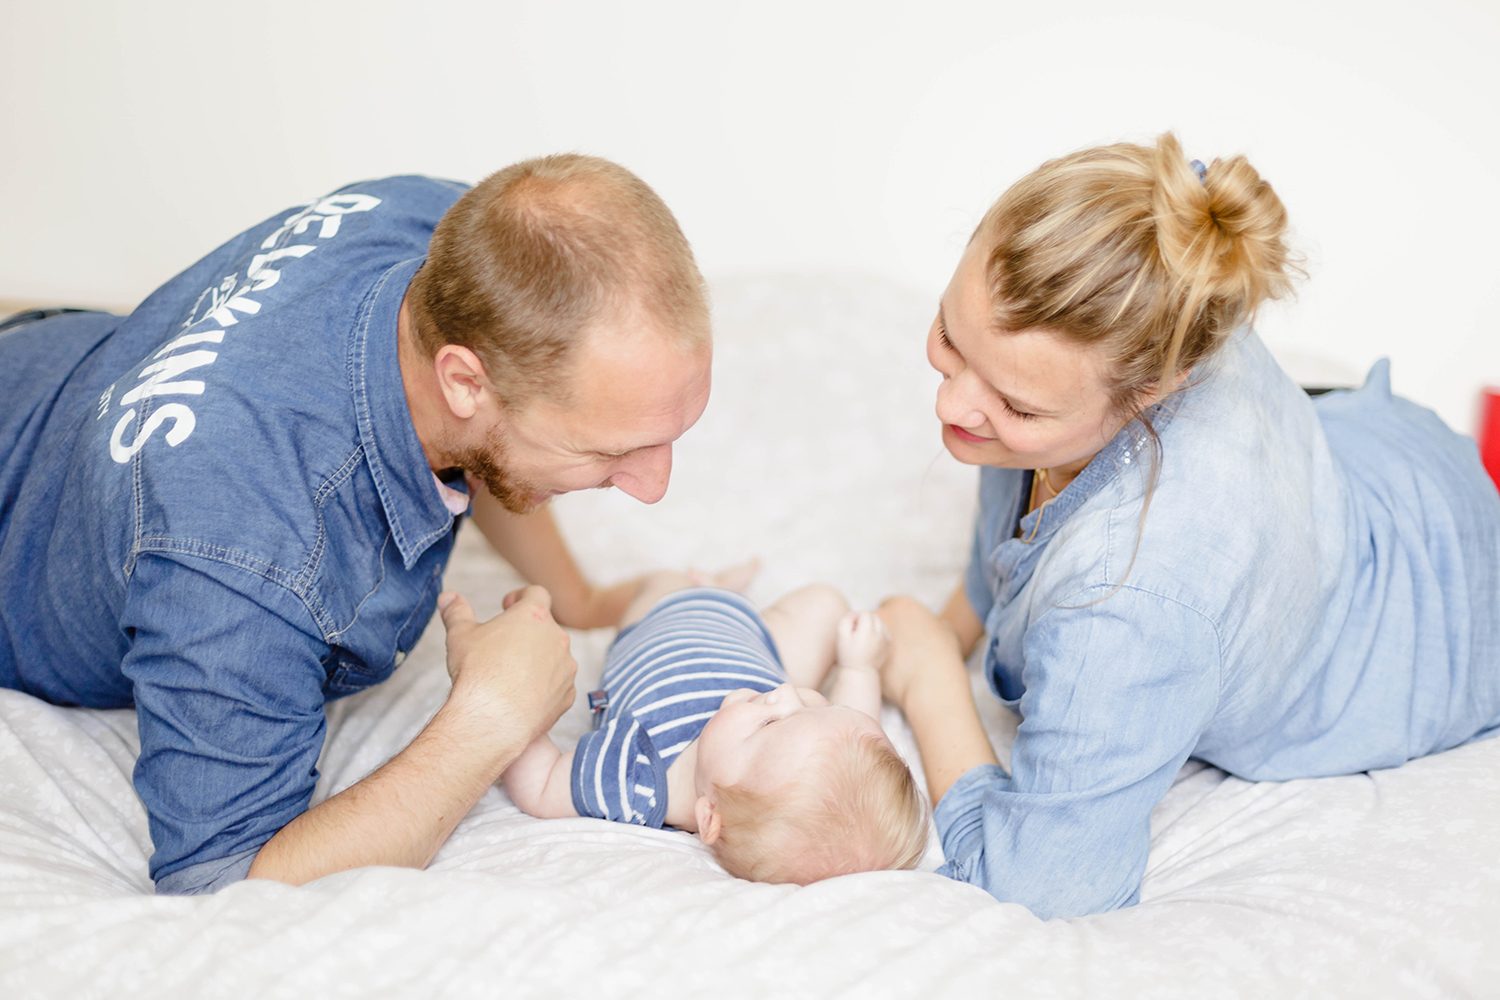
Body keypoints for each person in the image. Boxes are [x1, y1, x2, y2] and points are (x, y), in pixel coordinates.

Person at [0, 155, 714, 895]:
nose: (654, 486)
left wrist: (575, 596)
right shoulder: (244, 553)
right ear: (464, 381)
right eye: (610, 450)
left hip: (51, 368)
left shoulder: (449, 236)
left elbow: (498, 449)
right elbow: (228, 884)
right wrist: (491, 718)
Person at [874, 133, 1500, 919]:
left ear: (1155, 387)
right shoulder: (1171, 273)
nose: (952, 405)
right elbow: (1015, 510)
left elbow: (1049, 882)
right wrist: (956, 619)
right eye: (948, 339)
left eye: (1018, 405)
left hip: (1442, 600)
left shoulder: (1132, 598)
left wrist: (932, 677)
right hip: (1367, 456)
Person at [500, 570, 929, 883]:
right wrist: (859, 666)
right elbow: (852, 729)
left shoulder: (634, 778)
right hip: (757, 641)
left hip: (658, 621)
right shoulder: (778, 720)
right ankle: (721, 589)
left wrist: (511, 684)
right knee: (827, 603)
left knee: (663, 579)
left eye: (767, 722)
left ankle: (700, 585)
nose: (786, 695)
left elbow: (540, 786)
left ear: (709, 817)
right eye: (811, 706)